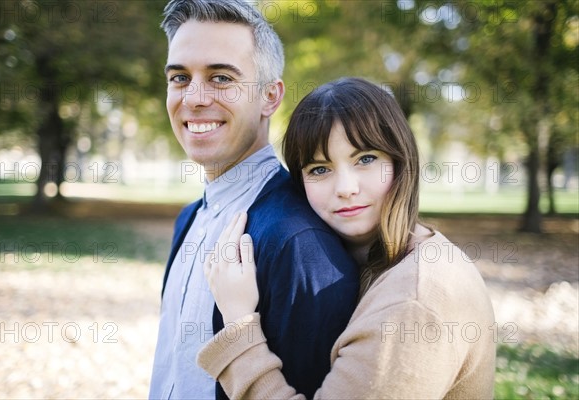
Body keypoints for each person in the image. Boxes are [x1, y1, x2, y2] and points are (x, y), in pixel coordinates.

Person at [198, 77, 497, 399]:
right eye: (319, 169)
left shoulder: (414, 301)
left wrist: (238, 323)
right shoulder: (377, 261)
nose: (345, 187)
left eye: (366, 159)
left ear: (401, 162)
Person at [149, 1, 360, 399]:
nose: (194, 98)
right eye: (179, 77)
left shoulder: (298, 241)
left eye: (221, 78)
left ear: (269, 97)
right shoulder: (190, 217)